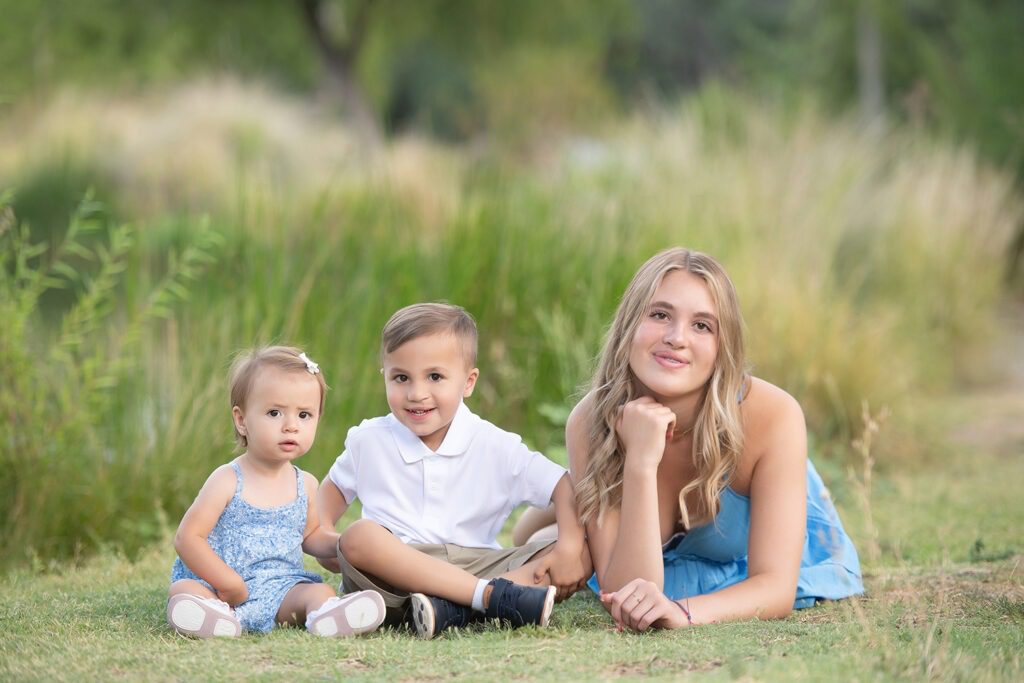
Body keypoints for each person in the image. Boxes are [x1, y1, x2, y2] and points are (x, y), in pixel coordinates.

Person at [513, 248, 863, 631]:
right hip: (652, 554)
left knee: (566, 541)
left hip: (755, 547)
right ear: (629, 324)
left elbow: (776, 587)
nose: (676, 338)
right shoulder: (589, 421)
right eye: (660, 315)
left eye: (702, 326)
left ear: (721, 347)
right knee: (537, 540)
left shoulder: (774, 415)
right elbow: (628, 592)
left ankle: (571, 509)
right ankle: (566, 509)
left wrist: (683, 612)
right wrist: (641, 462)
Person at [315, 303, 592, 639]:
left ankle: (452, 608)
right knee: (359, 536)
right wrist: (331, 544)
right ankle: (485, 599)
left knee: (584, 550)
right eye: (401, 377)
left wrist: (568, 547)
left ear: (468, 382)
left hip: (477, 563)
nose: (417, 394)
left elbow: (562, 485)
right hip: (395, 574)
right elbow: (322, 509)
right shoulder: (368, 441)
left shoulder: (494, 445)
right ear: (384, 376)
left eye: (435, 377)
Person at [167, 346, 386, 638]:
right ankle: (211, 617)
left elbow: (311, 535)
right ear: (242, 420)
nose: (291, 426)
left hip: (279, 588)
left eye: (305, 415)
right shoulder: (228, 479)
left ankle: (327, 616)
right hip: (220, 587)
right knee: (185, 590)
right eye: (274, 413)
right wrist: (227, 581)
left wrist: (343, 545)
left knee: (316, 590)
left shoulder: (305, 483)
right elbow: (188, 538)